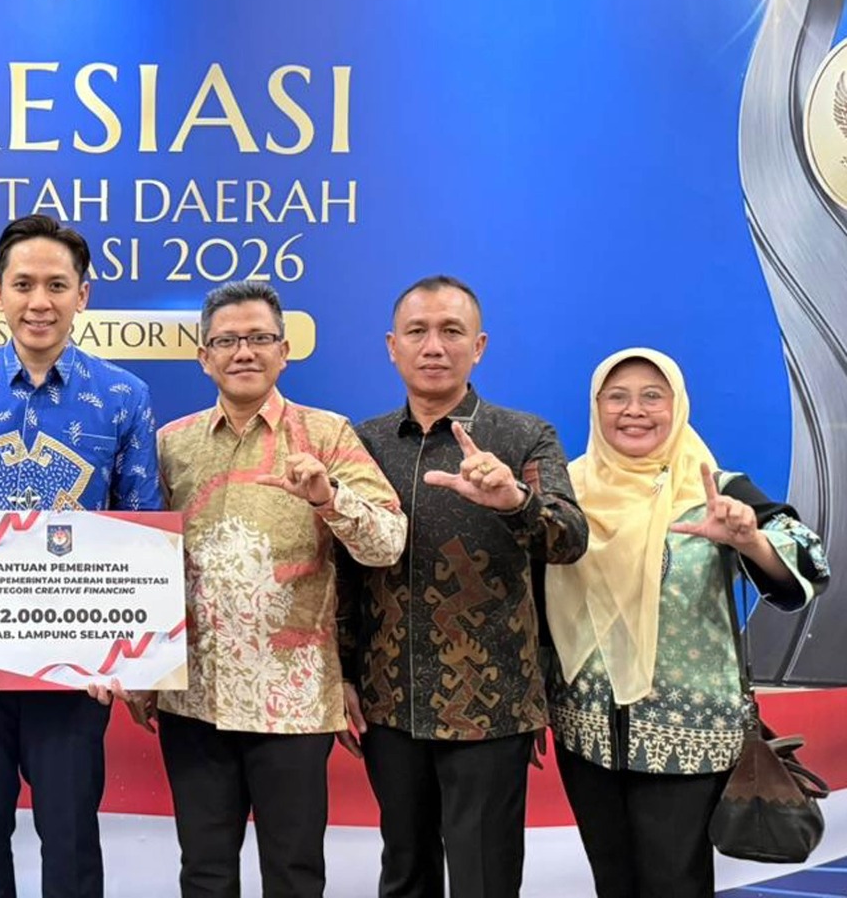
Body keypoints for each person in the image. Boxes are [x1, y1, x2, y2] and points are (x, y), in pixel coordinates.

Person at [0, 213, 163, 898]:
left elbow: (142, 525)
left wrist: (127, 658)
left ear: (83, 295)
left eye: (56, 284)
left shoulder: (123, 395)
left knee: (70, 838)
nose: (39, 301)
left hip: (77, 661)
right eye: (23, 284)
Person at [117, 281, 406, 898]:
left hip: (292, 702)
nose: (243, 352)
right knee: (204, 874)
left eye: (259, 338)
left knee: (294, 873)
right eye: (227, 341)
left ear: (284, 350)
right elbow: (141, 560)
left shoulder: (326, 436)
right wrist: (141, 669)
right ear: (204, 357)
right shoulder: (171, 444)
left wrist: (328, 497)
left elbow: (387, 543)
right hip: (193, 699)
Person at [338, 275, 589, 898]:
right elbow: (341, 572)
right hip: (388, 702)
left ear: (478, 347)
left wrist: (515, 501)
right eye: (417, 331)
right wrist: (339, 675)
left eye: (451, 331)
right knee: (404, 873)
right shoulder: (362, 442)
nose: (434, 346)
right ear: (392, 346)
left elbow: (570, 539)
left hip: (492, 705)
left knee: (485, 878)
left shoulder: (523, 436)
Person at [546, 347, 829, 898]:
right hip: (586, 733)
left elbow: (808, 565)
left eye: (653, 397)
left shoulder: (716, 491)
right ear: (596, 408)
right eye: (617, 397)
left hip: (689, 736)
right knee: (612, 882)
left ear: (678, 407)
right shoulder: (567, 494)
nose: (634, 410)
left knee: (676, 882)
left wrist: (750, 540)